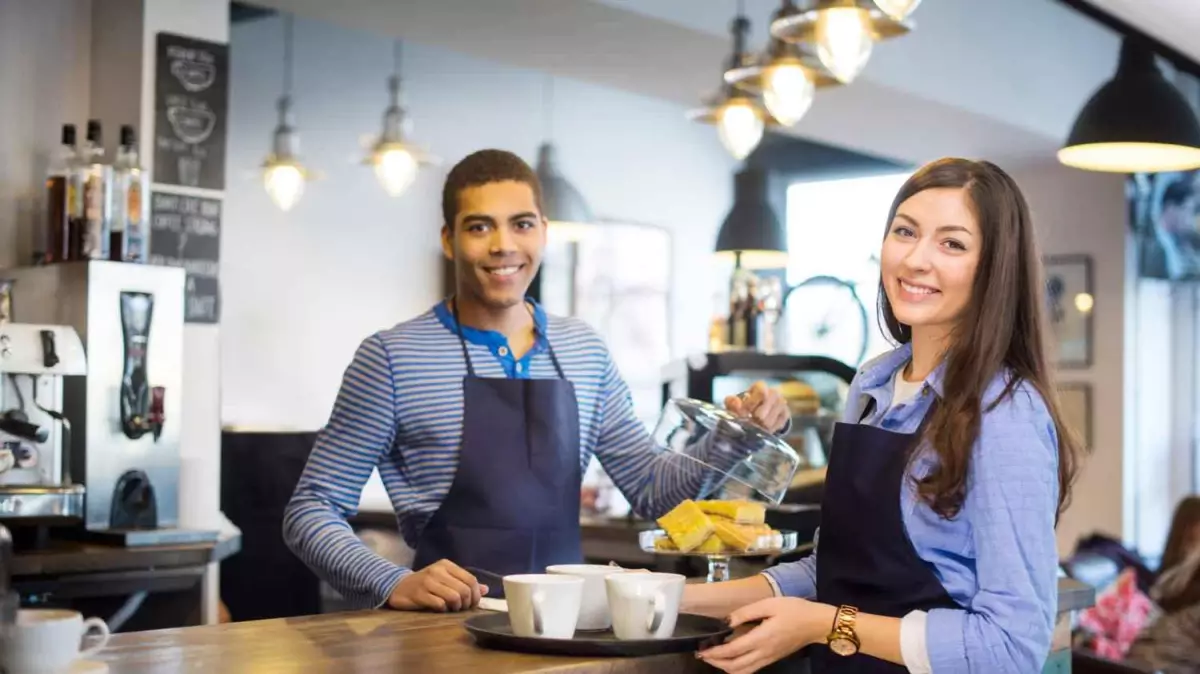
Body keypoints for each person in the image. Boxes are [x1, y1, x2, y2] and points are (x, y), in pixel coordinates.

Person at [283, 149, 789, 613]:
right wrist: (391, 581)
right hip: (442, 633)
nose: (504, 245)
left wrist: (733, 433)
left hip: (569, 629)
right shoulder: (393, 358)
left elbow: (655, 496)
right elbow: (310, 510)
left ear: (543, 232)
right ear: (448, 240)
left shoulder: (583, 351)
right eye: (479, 227)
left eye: (521, 224)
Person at [683, 158, 1085, 673]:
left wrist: (822, 625)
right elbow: (833, 570)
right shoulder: (873, 386)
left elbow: (1011, 646)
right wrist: (677, 599)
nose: (916, 259)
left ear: (993, 269)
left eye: (952, 244)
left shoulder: (1004, 411)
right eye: (905, 232)